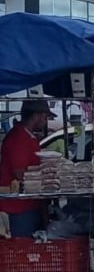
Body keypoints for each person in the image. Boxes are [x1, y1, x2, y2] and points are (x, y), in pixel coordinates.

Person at [0, 101, 55, 237]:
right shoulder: (18, 138)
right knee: (23, 245)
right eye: (45, 117)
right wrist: (45, 178)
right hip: (19, 207)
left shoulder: (30, 137)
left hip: (31, 204)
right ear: (36, 116)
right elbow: (20, 174)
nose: (45, 121)